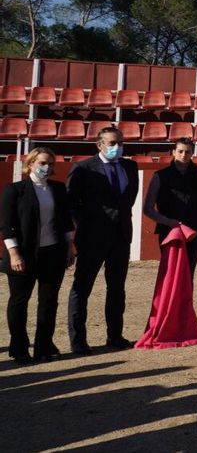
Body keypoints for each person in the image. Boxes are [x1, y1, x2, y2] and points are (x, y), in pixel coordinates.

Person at [67, 126, 140, 354]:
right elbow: (70, 204)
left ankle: (115, 336)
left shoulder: (130, 166)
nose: (116, 147)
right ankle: (78, 340)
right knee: (82, 287)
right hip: (92, 237)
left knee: (117, 288)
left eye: (120, 142)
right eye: (111, 143)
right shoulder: (83, 168)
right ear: (99, 145)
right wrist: (87, 224)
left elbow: (129, 199)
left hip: (120, 235)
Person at [2, 148, 74, 363]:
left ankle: (43, 346)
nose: (48, 167)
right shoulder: (15, 190)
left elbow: (65, 221)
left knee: (49, 301)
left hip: (52, 252)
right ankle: (19, 348)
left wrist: (70, 246)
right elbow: (6, 226)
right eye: (43, 163)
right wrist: (14, 253)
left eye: (51, 164)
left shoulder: (58, 189)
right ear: (30, 163)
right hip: (23, 253)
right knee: (19, 301)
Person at [143, 137, 197, 277]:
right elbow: (147, 208)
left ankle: (186, 300)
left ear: (192, 153)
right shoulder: (160, 176)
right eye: (180, 151)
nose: (183, 155)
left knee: (188, 274)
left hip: (195, 231)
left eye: (187, 152)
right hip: (169, 232)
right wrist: (167, 221)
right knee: (170, 274)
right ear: (173, 152)